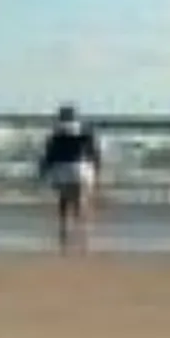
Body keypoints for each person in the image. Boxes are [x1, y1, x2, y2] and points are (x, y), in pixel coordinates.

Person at [36, 103, 102, 254]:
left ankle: (64, 234)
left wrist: (42, 173)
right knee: (81, 202)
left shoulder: (56, 133)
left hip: (62, 169)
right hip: (82, 169)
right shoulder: (85, 131)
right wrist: (97, 171)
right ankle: (83, 236)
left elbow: (48, 157)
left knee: (64, 202)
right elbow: (94, 153)